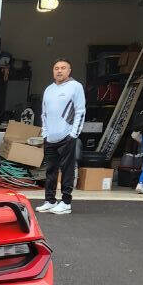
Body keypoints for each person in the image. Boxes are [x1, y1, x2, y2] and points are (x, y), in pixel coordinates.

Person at [38, 59, 86, 216]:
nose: (59, 71)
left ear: (69, 70)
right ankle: (50, 200)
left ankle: (66, 202)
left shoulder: (75, 87)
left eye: (63, 68)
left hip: (67, 136)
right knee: (50, 170)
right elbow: (43, 113)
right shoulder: (48, 89)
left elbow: (80, 111)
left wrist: (73, 134)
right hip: (50, 137)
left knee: (67, 170)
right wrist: (45, 133)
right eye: (56, 68)